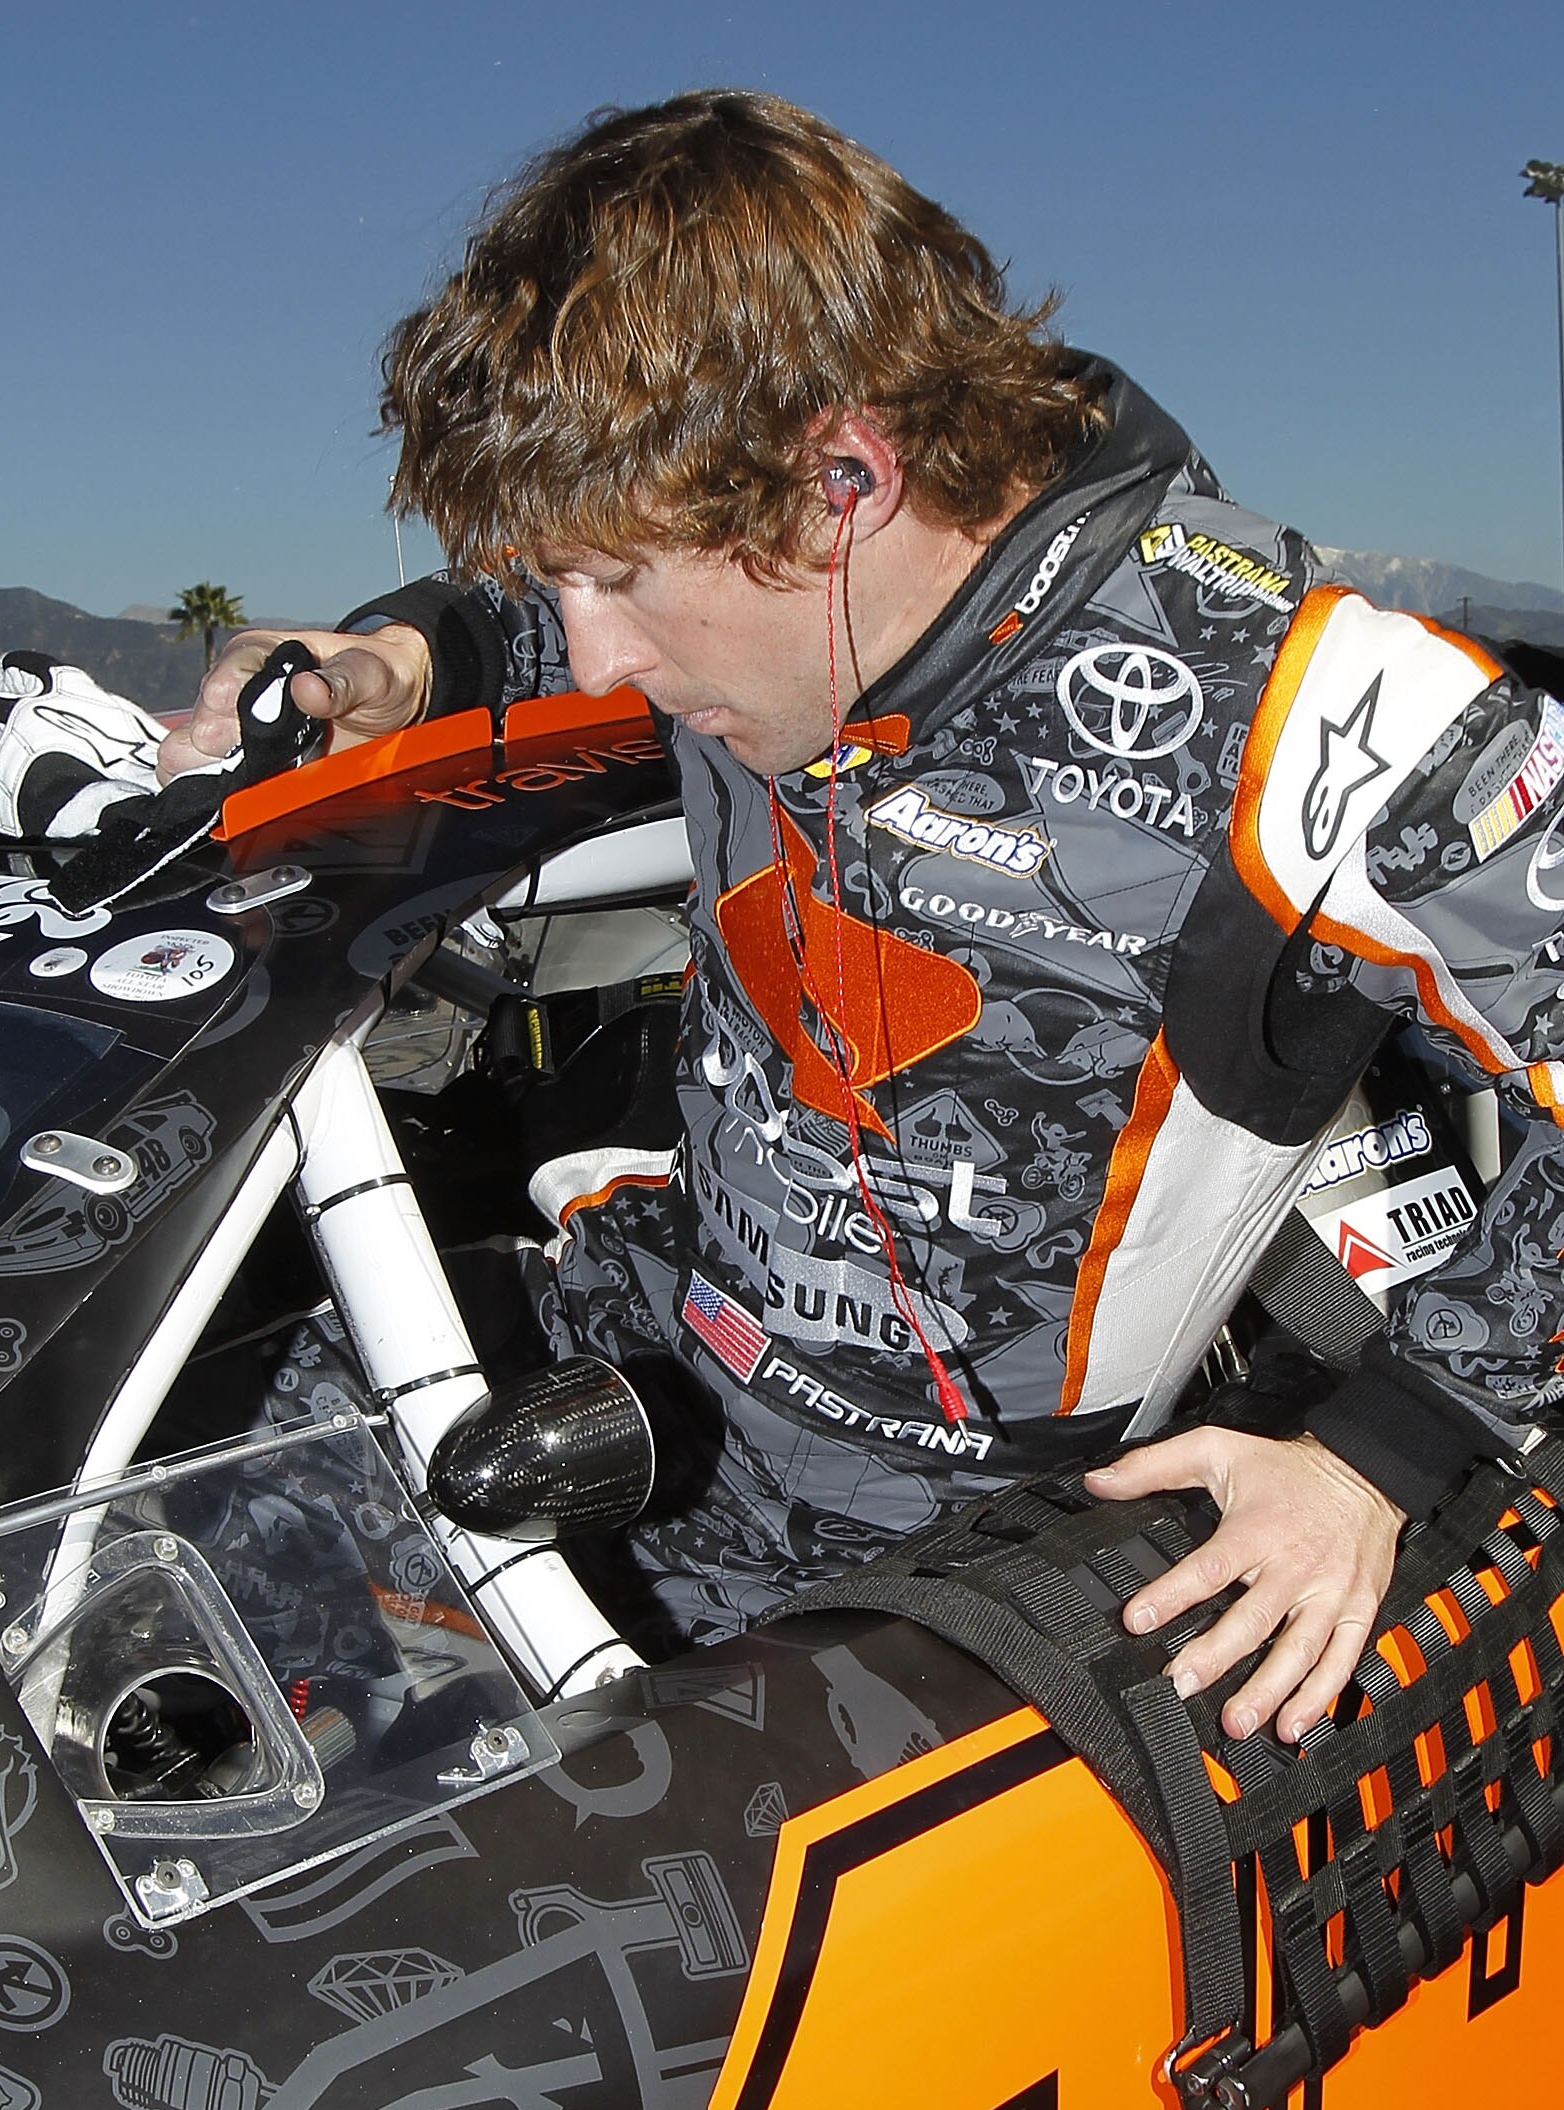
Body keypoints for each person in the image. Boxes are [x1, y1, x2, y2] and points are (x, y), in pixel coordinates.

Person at [161, 90, 1564, 1742]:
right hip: (644, 1352)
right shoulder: (729, 581)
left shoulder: (1308, 712)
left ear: (843, 482)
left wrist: (1383, 1452)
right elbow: (550, 625)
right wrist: (404, 659)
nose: (599, 659)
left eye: (618, 577)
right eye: (563, 585)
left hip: (957, 1564)